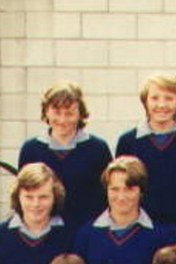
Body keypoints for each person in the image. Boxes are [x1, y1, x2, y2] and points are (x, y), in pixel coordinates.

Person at [72, 156, 170, 264]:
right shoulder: (86, 235)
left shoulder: (160, 237)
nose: (121, 196)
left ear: (141, 191)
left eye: (129, 189)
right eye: (114, 189)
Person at [115, 75, 176, 226]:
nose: (162, 104)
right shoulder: (128, 142)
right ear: (145, 102)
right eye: (155, 98)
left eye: (169, 98)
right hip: (142, 228)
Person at [18, 82, 112, 228]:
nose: (62, 120)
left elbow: (107, 197)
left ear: (80, 114)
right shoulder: (31, 149)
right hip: (46, 233)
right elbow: (25, 195)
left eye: (69, 113)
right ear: (46, 112)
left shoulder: (97, 149)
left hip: (86, 232)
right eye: (57, 112)